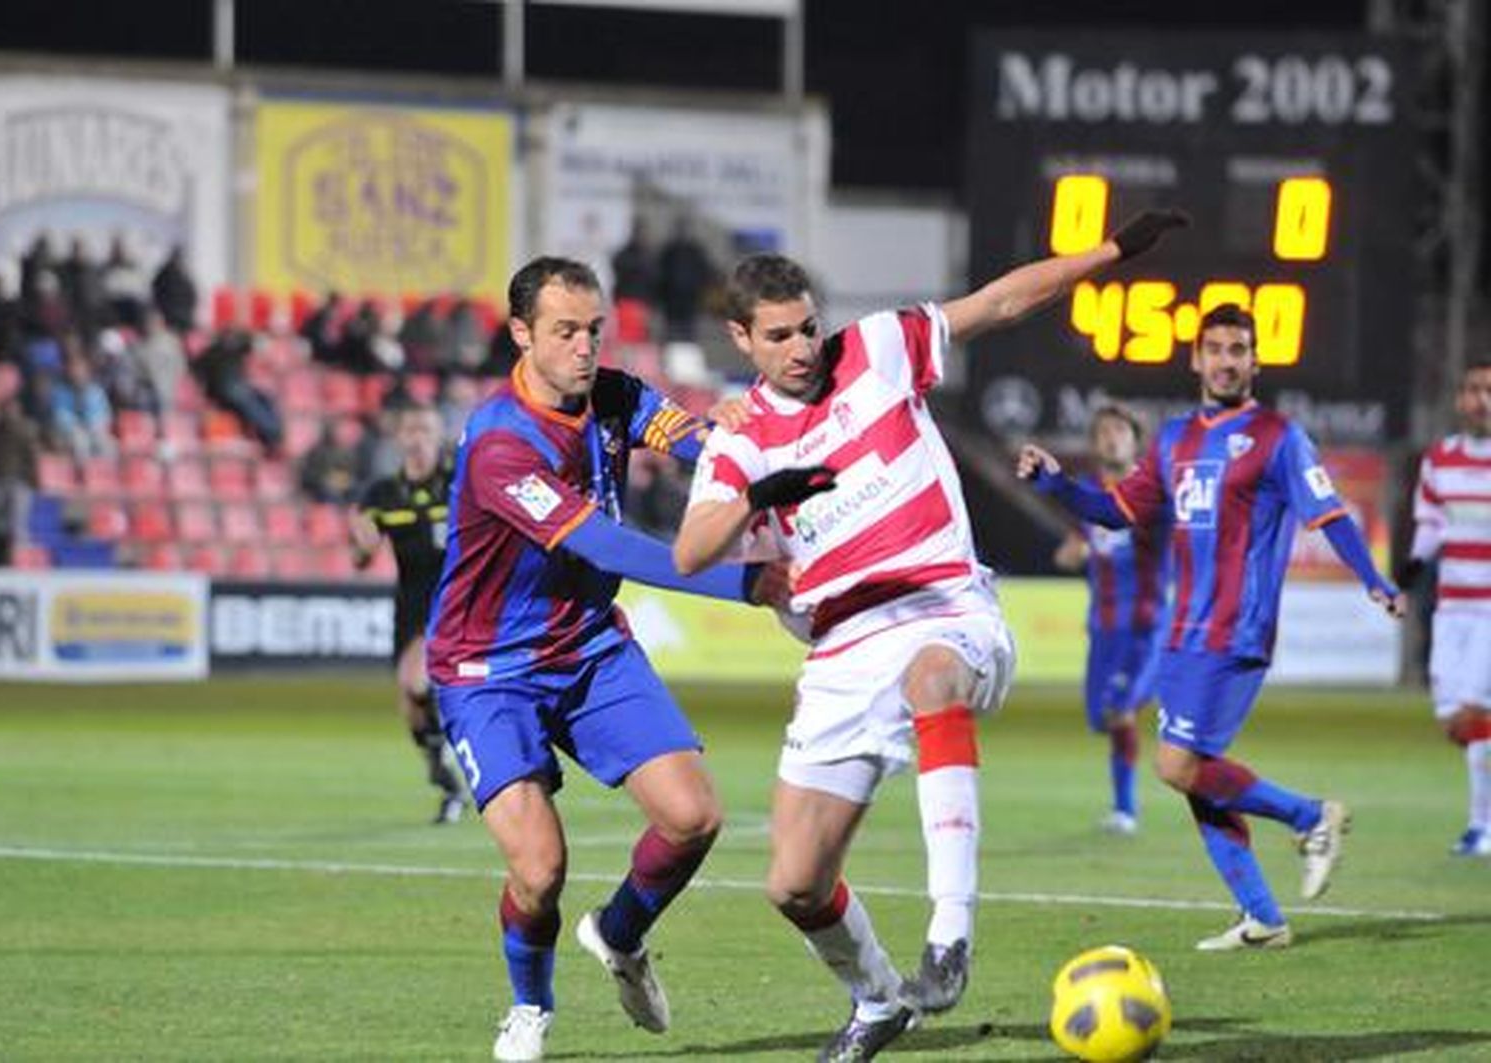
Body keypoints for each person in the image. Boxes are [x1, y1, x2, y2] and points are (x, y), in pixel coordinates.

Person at [672, 209, 1187, 1062]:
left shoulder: (876, 347)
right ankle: (877, 1000)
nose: (803, 347)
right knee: (795, 882)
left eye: (809, 326)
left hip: (944, 605)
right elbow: (691, 552)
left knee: (932, 679)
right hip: (841, 648)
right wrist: (763, 494)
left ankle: (951, 929)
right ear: (740, 337)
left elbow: (1000, 303)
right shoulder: (737, 443)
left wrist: (1110, 252)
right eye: (779, 336)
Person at [425, 256, 788, 1062]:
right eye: (565, 331)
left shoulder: (616, 395)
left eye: (594, 329)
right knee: (540, 869)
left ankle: (620, 933)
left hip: (588, 644)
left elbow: (694, 442)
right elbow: (604, 541)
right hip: (489, 670)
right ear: (521, 333)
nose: (585, 347)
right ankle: (529, 1006)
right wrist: (749, 582)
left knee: (694, 816)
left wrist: (742, 438)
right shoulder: (500, 445)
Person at [1018, 302, 1406, 952]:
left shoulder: (1280, 436)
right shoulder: (1172, 440)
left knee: (1176, 764)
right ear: (1197, 357)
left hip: (1235, 627)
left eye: (1239, 349)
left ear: (1256, 360)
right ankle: (1262, 915)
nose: (1227, 360)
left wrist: (1373, 576)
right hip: (1182, 630)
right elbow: (1114, 510)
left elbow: (1330, 514)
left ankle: (1312, 816)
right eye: (1217, 348)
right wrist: (1057, 485)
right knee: (1195, 774)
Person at [1050, 403, 1169, 835]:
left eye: (1120, 430)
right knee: (1100, 718)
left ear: (1136, 440)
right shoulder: (1090, 494)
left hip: (1145, 625)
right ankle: (1144, 696)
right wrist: (1071, 552)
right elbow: (1076, 545)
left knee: (1119, 713)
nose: (1111, 438)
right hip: (1103, 628)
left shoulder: (1154, 491)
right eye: (1103, 432)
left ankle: (1125, 810)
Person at [350, 403, 471, 825]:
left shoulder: (460, 480)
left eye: (426, 429)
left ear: (438, 436)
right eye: (410, 429)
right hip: (411, 604)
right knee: (411, 702)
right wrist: (363, 550)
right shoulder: (381, 494)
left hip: (458, 601)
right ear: (400, 438)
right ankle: (446, 774)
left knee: (416, 679)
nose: (418, 437)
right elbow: (361, 557)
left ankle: (460, 755)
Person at [1403, 356, 1491, 856]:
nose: (1481, 400)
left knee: (1475, 716)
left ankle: (1481, 827)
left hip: (1490, 610)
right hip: (1452, 608)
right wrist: (1413, 567)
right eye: (1472, 390)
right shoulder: (1440, 459)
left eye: (1488, 390)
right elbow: (1432, 524)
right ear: (1459, 399)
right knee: (1453, 720)